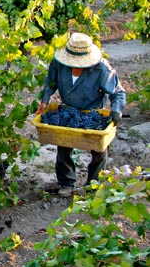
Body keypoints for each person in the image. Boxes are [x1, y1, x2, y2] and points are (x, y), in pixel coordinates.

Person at [36, 32, 126, 197]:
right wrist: (45, 99)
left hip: (93, 113)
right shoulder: (59, 63)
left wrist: (116, 110)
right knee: (63, 146)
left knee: (99, 150)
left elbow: (118, 93)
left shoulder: (102, 69)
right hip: (68, 111)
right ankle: (66, 183)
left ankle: (94, 183)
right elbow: (51, 82)